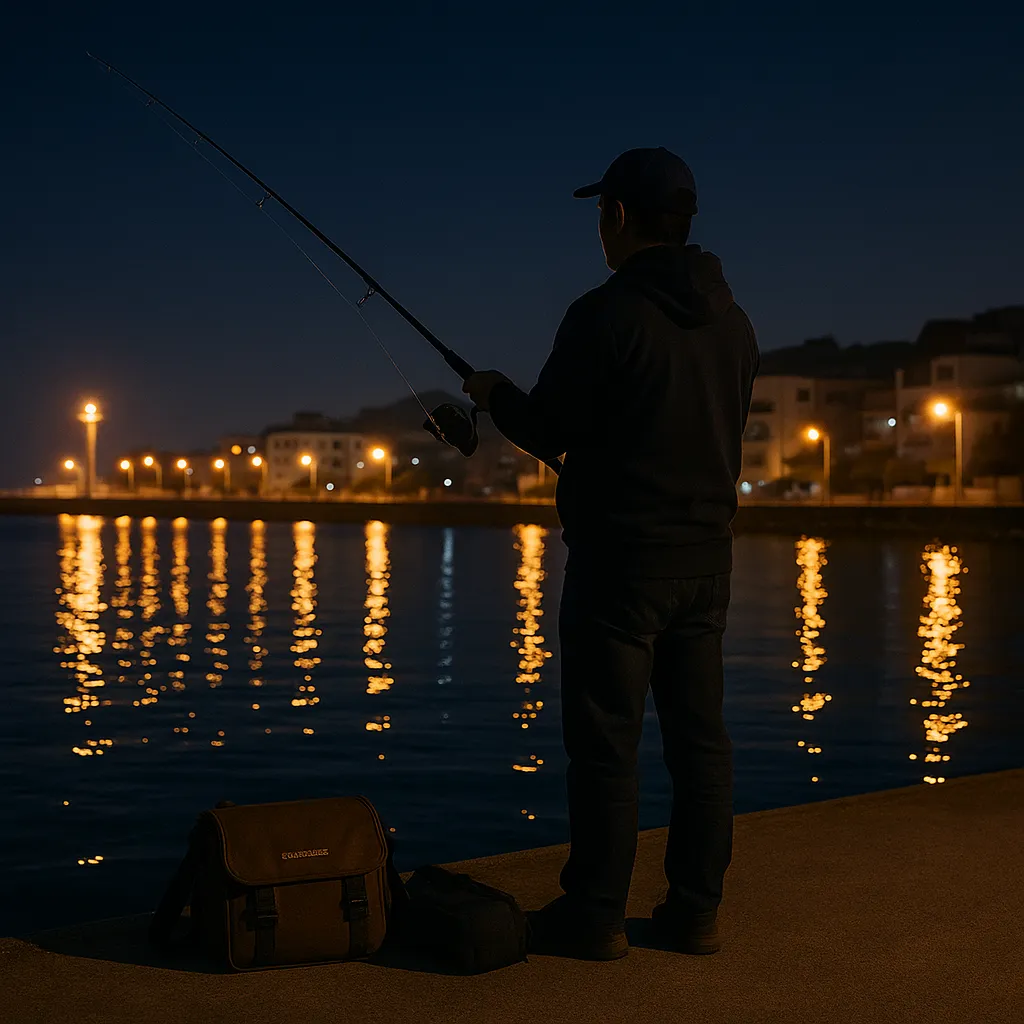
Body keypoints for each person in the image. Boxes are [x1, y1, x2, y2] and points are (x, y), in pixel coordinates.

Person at [462, 147, 759, 961]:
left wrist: (492, 396)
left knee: (605, 745)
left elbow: (551, 429)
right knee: (702, 744)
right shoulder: (735, 323)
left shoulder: (605, 313)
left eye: (601, 215)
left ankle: (594, 914)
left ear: (618, 216)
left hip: (620, 566)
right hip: (708, 565)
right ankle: (695, 912)